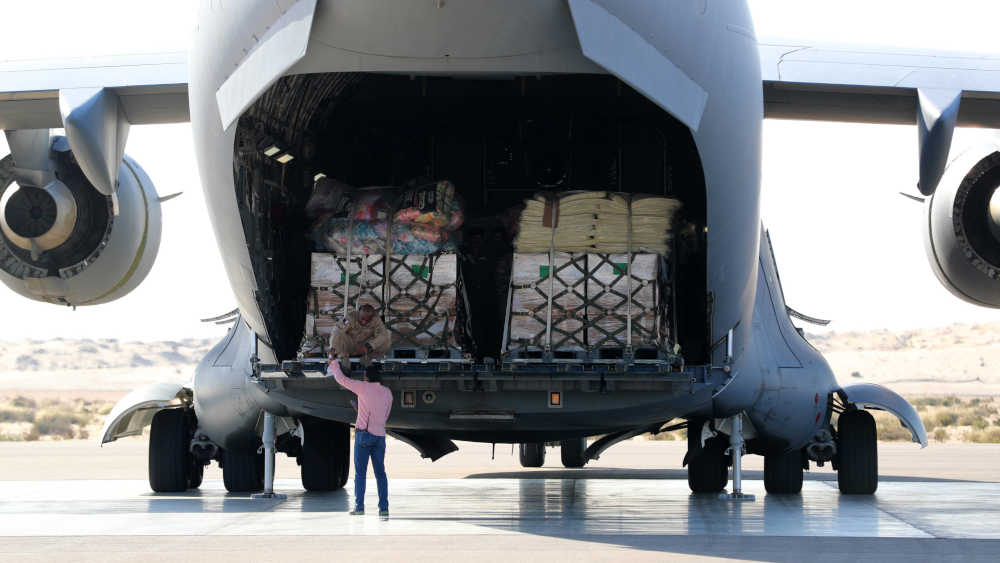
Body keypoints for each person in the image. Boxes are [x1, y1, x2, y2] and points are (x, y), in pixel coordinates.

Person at [328, 358, 393, 518]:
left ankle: (359, 507)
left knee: (360, 474)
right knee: (380, 474)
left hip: (364, 435)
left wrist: (333, 363)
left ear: (367, 377)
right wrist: (362, 411)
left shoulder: (363, 388)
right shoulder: (387, 392)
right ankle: (383, 508)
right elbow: (384, 415)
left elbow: (341, 379)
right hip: (380, 437)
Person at [329, 303, 392, 370]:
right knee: (338, 334)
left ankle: (369, 357)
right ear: (358, 313)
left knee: (387, 336)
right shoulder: (349, 317)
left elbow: (382, 335)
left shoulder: (376, 320)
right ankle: (343, 358)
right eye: (362, 319)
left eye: (367, 320)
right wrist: (332, 349)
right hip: (350, 345)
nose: (364, 322)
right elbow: (337, 330)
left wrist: (370, 346)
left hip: (366, 347)